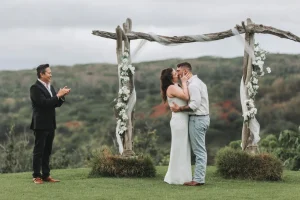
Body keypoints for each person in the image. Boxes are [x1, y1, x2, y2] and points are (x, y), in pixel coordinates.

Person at [30, 64, 70, 184]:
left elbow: (54, 104)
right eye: (48, 73)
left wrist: (61, 97)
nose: (51, 74)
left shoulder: (50, 87)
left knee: (47, 150)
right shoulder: (35, 88)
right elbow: (44, 103)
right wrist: (58, 95)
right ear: (41, 74)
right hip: (40, 124)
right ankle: (36, 176)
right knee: (39, 151)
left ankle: (46, 175)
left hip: (51, 124)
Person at [171, 62, 210, 186]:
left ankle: (198, 179)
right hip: (200, 119)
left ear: (186, 72)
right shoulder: (195, 82)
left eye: (178, 71)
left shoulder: (193, 85)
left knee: (199, 151)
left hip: (198, 119)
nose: (177, 73)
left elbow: (194, 105)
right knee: (199, 150)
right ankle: (198, 178)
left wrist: (179, 109)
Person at [160, 67, 192, 184]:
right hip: (179, 121)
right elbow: (186, 97)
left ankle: (183, 176)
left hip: (182, 119)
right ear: (171, 77)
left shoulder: (175, 86)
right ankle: (177, 177)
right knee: (179, 147)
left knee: (183, 147)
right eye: (175, 73)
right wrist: (184, 82)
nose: (177, 74)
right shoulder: (172, 87)